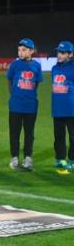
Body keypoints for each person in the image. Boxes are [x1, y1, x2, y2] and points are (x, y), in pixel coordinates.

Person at [7, 38, 43, 170]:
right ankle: (14, 158)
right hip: (15, 104)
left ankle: (28, 158)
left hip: (31, 105)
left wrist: (29, 94)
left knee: (29, 133)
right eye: (19, 50)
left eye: (24, 50)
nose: (20, 52)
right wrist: (14, 94)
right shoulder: (14, 64)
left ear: (31, 51)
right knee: (14, 132)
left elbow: (37, 82)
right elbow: (10, 80)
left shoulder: (36, 65)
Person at [51, 41, 74, 170]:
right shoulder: (55, 68)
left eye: (62, 52)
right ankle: (60, 159)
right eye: (58, 52)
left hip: (72, 109)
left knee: (73, 137)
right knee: (59, 137)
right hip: (57, 108)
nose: (59, 55)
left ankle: (72, 159)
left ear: (70, 54)